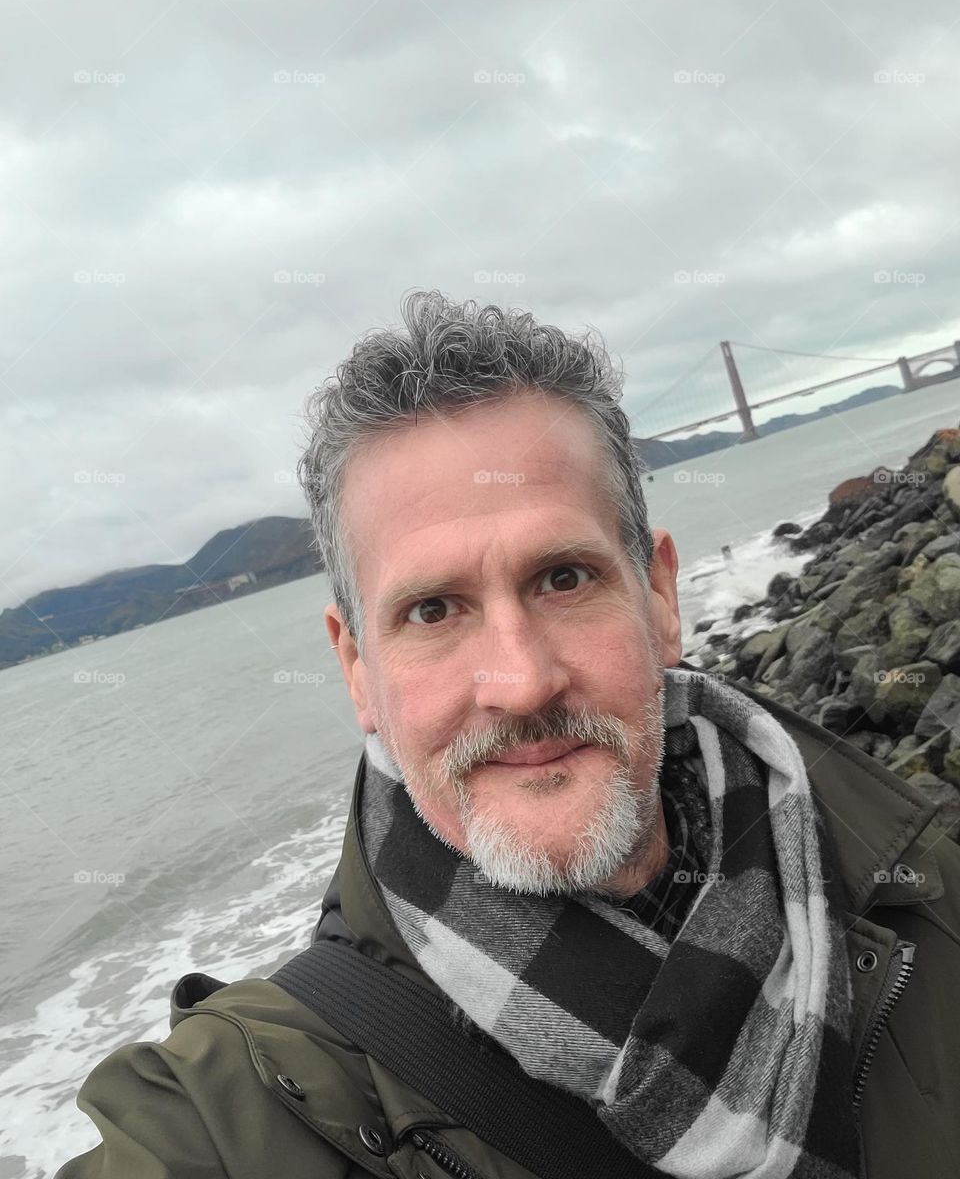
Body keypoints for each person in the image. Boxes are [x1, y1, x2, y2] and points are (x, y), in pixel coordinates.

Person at [55, 293, 960, 1179]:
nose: (522, 681)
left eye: (563, 577)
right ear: (357, 668)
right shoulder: (228, 1114)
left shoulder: (916, 880)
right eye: (434, 609)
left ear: (660, 598)